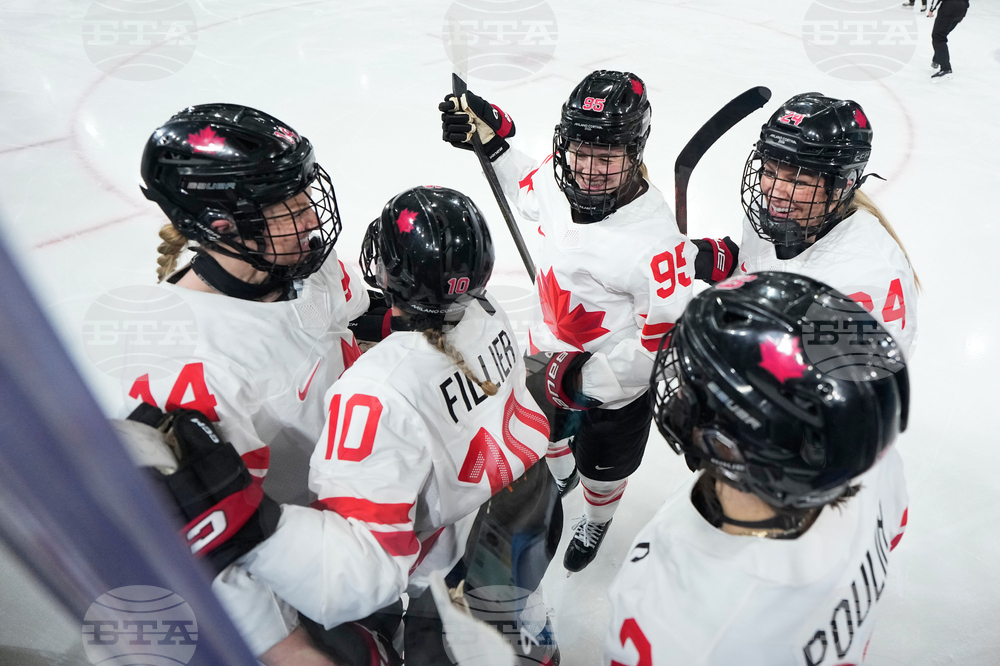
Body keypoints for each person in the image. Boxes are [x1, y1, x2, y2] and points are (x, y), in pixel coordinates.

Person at [191, 186, 555, 663]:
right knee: (523, 622)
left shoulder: (373, 391)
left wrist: (250, 525)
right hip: (525, 509)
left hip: (449, 570)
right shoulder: (491, 312)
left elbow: (356, 577)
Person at [131, 103, 383, 662]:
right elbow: (223, 550)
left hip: (371, 512)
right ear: (222, 223)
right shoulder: (188, 367)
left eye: (305, 192)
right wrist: (296, 650)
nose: (312, 217)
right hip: (311, 567)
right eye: (288, 204)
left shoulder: (298, 263)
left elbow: (356, 316)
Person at [440, 70, 697, 573]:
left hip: (614, 394)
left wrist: (581, 380)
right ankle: (563, 479)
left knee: (604, 471)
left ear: (635, 151)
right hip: (546, 353)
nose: (589, 170)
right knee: (547, 437)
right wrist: (491, 142)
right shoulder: (563, 180)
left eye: (607, 156)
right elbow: (527, 185)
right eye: (580, 151)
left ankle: (597, 516)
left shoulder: (656, 242)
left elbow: (660, 346)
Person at [604, 271, 910, 666]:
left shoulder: (671, 619)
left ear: (730, 448)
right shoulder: (867, 464)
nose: (679, 393)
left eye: (694, 388)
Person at [695, 93, 919, 360]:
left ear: (842, 185)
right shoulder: (774, 216)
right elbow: (766, 273)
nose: (774, 192)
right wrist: (727, 266)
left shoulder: (870, 277)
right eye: (769, 171)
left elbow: (871, 377)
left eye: (797, 181)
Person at [929, 0, 970, 78]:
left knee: (938, 36)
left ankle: (945, 68)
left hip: (949, 7)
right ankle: (937, 59)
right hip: (961, 8)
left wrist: (932, 9)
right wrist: (963, 13)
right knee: (942, 35)